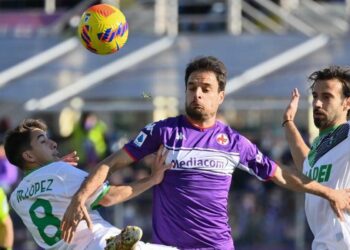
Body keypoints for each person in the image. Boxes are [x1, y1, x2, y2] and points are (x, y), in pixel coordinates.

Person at [61, 56, 350, 249]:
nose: (197, 93)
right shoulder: (162, 132)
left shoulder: (235, 142)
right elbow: (111, 164)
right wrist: (80, 197)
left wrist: (330, 193)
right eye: (191, 87)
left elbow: (282, 176)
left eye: (205, 88)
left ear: (220, 96)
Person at [4, 118, 176, 250]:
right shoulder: (61, 173)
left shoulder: (16, 198)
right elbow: (109, 197)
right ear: (29, 156)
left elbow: (45, 190)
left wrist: (50, 168)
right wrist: (152, 179)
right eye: (42, 141)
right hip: (99, 242)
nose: (53, 143)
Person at [283, 66, 350, 250]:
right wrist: (288, 122)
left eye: (327, 97)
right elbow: (306, 166)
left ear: (347, 103)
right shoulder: (321, 145)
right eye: (315, 96)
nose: (317, 103)